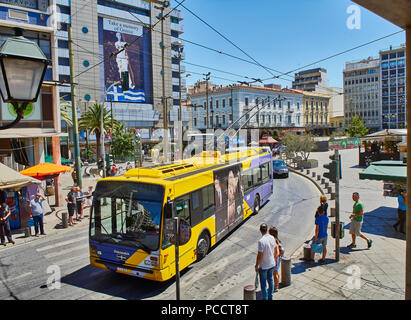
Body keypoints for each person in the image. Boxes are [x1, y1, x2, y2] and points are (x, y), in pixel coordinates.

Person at [255, 223, 276, 300]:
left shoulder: (261, 241)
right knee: (270, 280)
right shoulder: (272, 238)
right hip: (271, 263)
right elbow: (273, 249)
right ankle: (271, 296)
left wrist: (256, 265)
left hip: (264, 266)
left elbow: (259, 255)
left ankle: (265, 298)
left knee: (263, 283)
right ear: (267, 229)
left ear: (260, 231)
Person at [269, 226, 284, 292]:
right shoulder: (277, 239)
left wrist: (274, 260)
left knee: (274, 273)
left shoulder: (274, 240)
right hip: (277, 259)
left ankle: (276, 286)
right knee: (276, 272)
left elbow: (276, 252)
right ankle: (276, 284)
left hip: (275, 259)